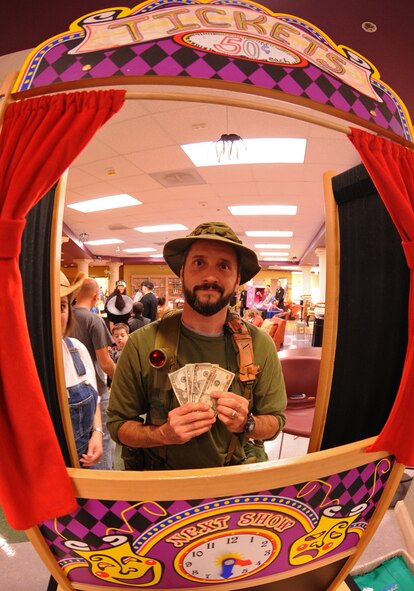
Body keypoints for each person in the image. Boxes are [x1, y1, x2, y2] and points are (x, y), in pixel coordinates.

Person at [107, 221, 286, 470]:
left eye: (223, 266)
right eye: (199, 263)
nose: (210, 276)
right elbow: (118, 425)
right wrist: (162, 435)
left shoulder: (259, 345)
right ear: (182, 272)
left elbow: (276, 421)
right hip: (162, 485)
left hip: (235, 480)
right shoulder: (141, 343)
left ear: (237, 281)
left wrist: (248, 424)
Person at [72, 277, 116, 470]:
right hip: (95, 389)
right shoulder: (93, 320)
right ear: (96, 295)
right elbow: (105, 362)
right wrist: (122, 377)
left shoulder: (63, 317)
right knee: (104, 440)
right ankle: (106, 488)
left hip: (70, 390)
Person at [60, 272, 103, 467]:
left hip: (83, 466)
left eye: (62, 306)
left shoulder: (76, 348)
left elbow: (95, 399)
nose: (55, 314)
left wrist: (97, 434)